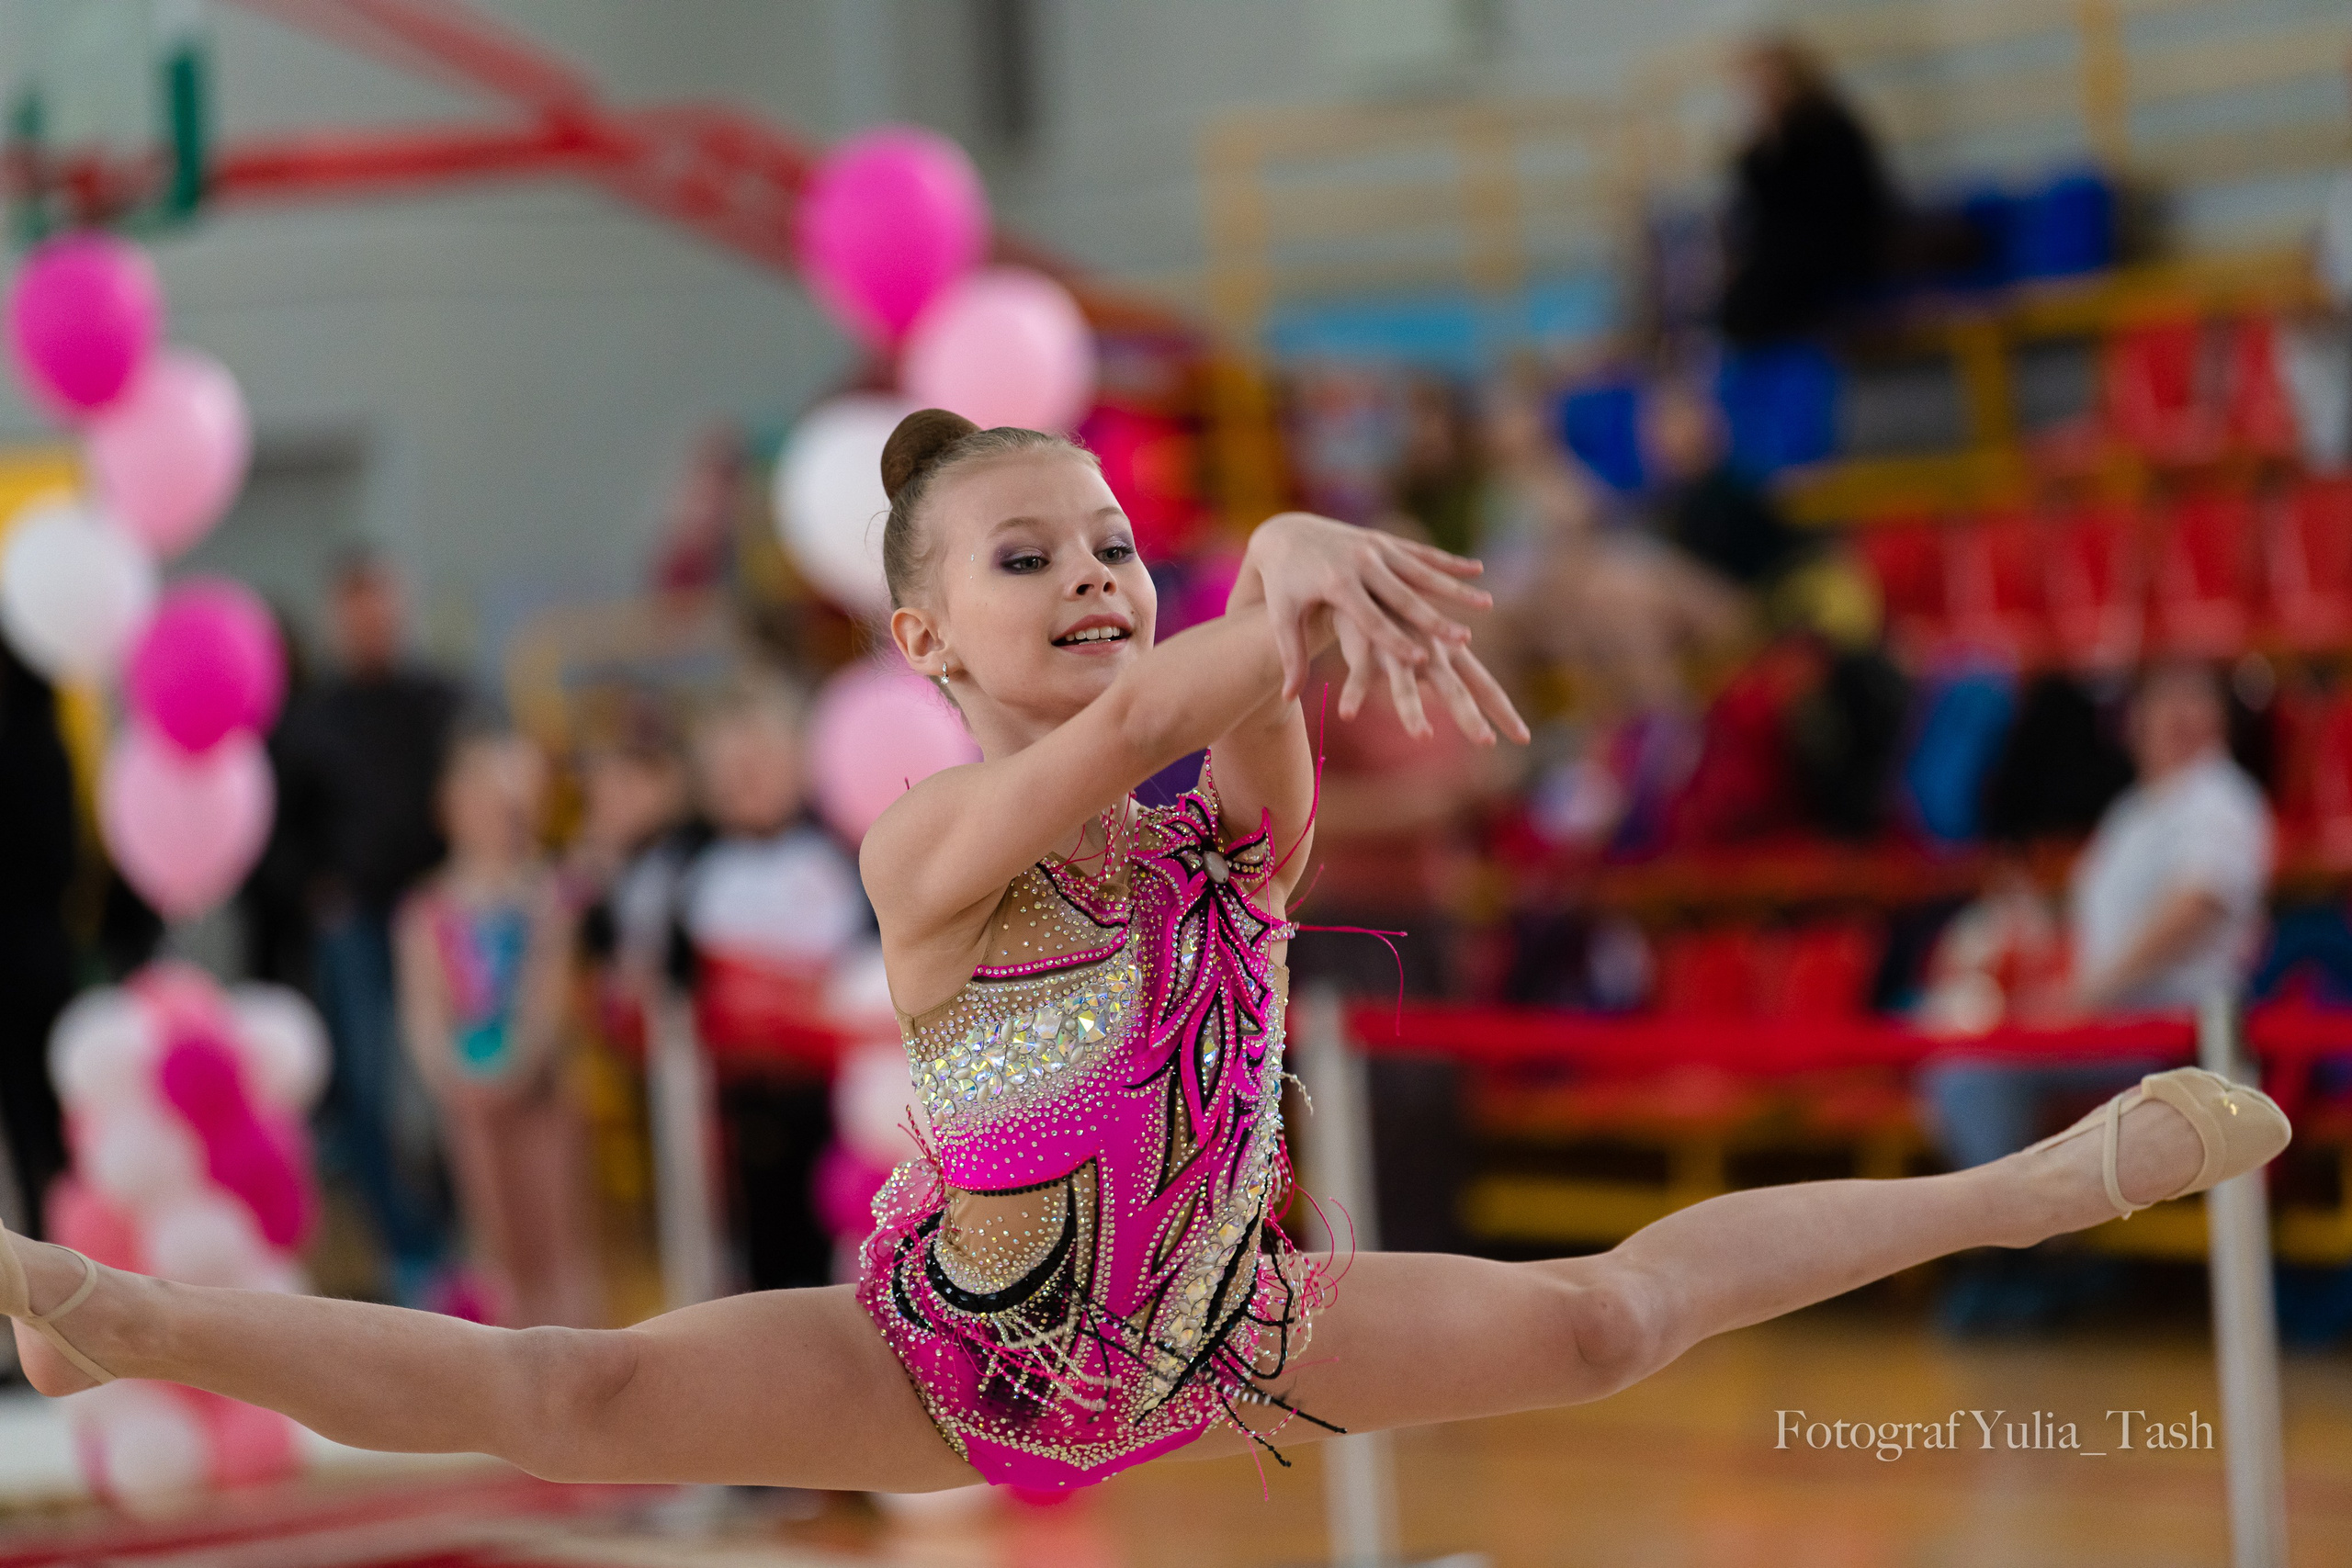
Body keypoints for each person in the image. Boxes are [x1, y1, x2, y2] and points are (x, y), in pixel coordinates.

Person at [0, 411, 2290, 1500]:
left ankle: (2051, 1170)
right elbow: (1149, 702)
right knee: (574, 1397)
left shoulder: (1217, 841)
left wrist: (1275, 586)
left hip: (1221, 1321)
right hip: (938, 1351)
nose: (1091, 572)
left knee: (1608, 1308)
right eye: (1027, 554)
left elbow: (1241, 721)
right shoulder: (926, 842)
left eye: (1111, 534)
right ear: (919, 630)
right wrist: (1265, 564)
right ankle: (129, 1321)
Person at [1919, 660, 2274, 1330]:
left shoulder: (2219, 800)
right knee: (1961, 1051)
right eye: (2164, 699)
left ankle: (2025, 1244)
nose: (2178, 716)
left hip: (2173, 1027)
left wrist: (2089, 994)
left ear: (2221, 720)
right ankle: (2026, 1239)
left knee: (1974, 1073)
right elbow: (2098, 926)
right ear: (2134, 722)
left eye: (2194, 700)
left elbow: (2196, 905)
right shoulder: (2135, 811)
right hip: (2109, 1022)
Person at [271, 552, 464, 1303]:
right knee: (368, 1086)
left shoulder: (441, 699)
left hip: (439, 915)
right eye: (355, 609)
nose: (371, 622)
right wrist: (317, 891)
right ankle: (407, 1247)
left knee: (457, 1076)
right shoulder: (314, 718)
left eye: (381, 604)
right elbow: (282, 826)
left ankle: (457, 1235)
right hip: (355, 923)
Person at [394, 722, 604, 1330]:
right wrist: (453, 1074)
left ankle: (575, 1345)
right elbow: (424, 1011)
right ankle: (514, 1350)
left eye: (514, 805)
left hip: (541, 1084)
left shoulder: (546, 898)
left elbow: (547, 993)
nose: (502, 818)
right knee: (495, 1234)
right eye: (485, 801)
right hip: (470, 1094)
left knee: (555, 1226)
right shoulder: (429, 908)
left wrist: (521, 1060)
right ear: (451, 809)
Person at [681, 674, 872, 1293]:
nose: (748, 782)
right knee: (757, 1253)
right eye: (732, 771)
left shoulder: (842, 859)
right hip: (743, 1103)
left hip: (834, 1099)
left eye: (761, 763)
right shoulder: (696, 874)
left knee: (835, 1251)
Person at [1718, 34, 1897, 344]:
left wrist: (1775, 151)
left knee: (1759, 294)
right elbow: (1759, 211)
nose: (1762, 91)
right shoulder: (1767, 143)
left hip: (1838, 247)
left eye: (1770, 80)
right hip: (1791, 253)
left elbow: (1843, 207)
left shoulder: (1830, 130)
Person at [0, 641, 78, 1241]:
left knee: (35, 1127)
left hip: (29, 956)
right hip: (46, 950)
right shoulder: (46, 738)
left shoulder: (31, 742)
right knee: (48, 1127)